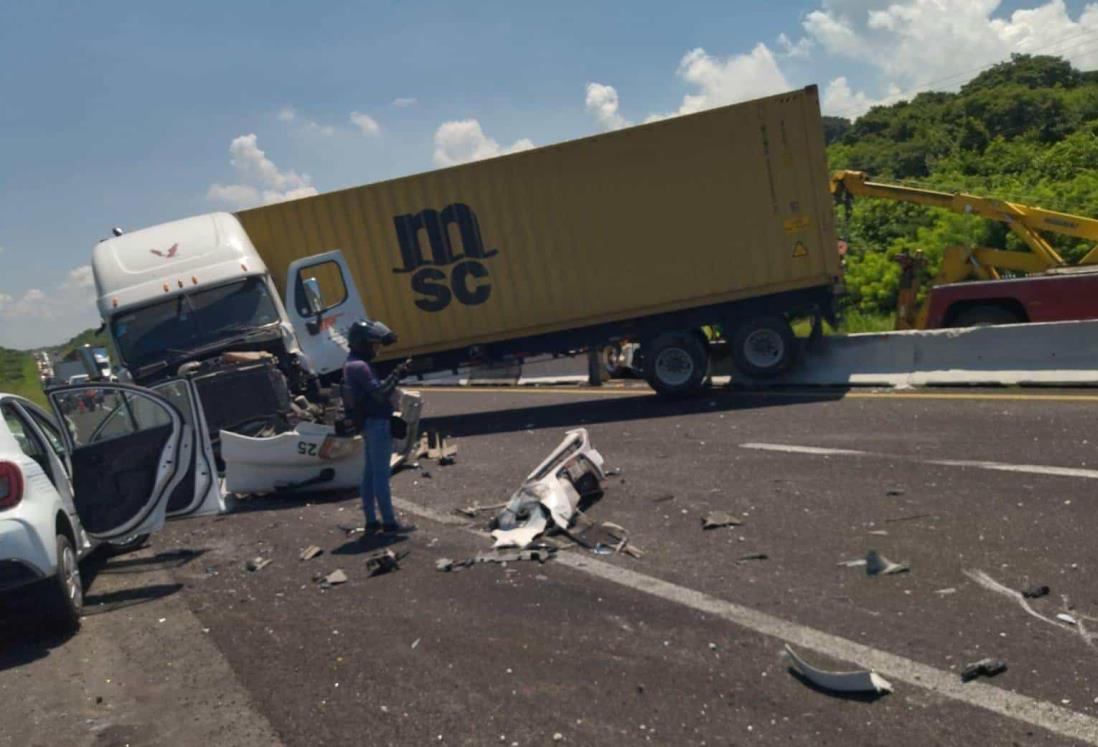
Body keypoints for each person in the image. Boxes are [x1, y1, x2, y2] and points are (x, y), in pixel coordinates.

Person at [343, 319, 414, 534]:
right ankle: (389, 523)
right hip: (377, 425)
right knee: (381, 476)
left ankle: (372, 521)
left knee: (369, 475)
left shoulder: (352, 363)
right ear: (363, 344)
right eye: (374, 344)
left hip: (368, 424)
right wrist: (397, 374)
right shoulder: (360, 367)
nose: (378, 349)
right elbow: (380, 394)